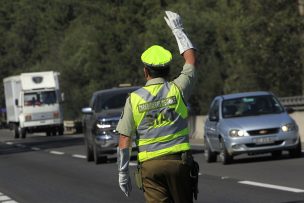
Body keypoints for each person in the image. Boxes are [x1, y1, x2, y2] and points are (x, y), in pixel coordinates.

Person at [117, 11, 198, 203]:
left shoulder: (134, 99)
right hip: (179, 163)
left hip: (150, 167)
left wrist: (123, 173)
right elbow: (191, 60)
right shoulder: (178, 89)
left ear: (145, 71)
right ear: (168, 69)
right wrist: (178, 30)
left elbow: (124, 140)